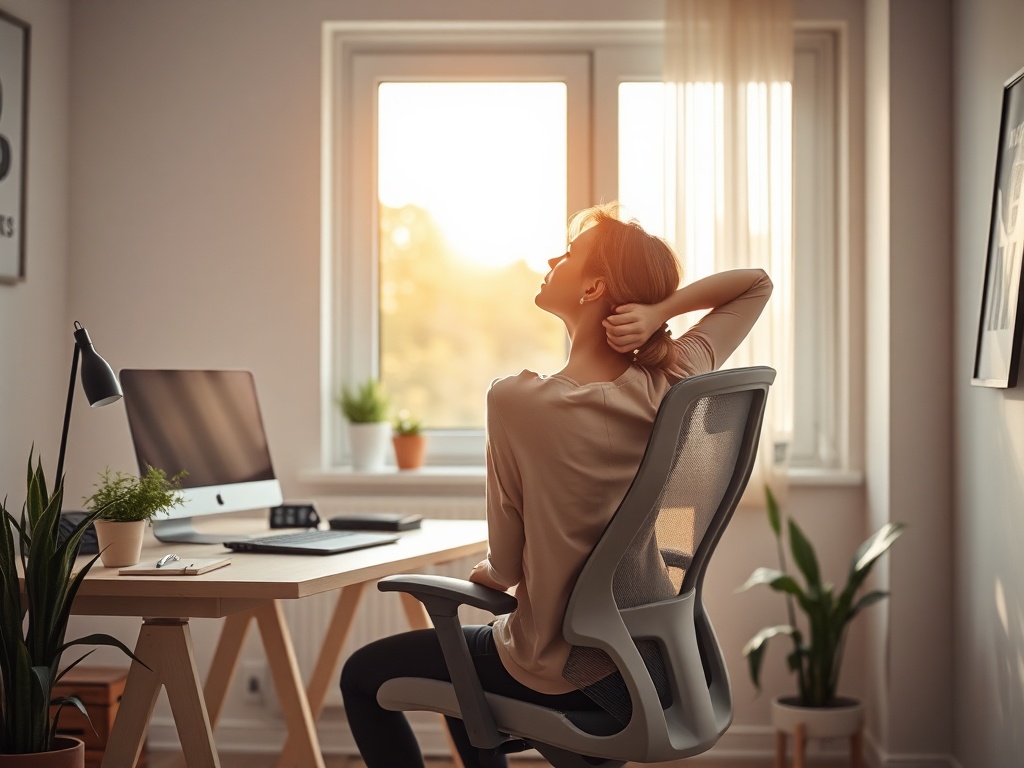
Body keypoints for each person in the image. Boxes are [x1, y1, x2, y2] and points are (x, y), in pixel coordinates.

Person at [340, 203, 772, 768]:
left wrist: (489, 575)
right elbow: (755, 285)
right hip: (654, 667)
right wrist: (663, 311)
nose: (551, 258)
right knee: (461, 679)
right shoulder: (673, 379)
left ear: (593, 287)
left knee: (363, 677)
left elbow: (507, 569)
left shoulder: (519, 402)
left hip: (566, 671)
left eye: (568, 254)